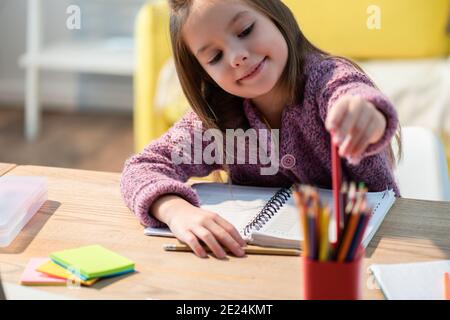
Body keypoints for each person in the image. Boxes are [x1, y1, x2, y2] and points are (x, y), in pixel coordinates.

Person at [120, 0, 401, 259]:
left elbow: (352, 93)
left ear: (274, 15)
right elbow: (142, 167)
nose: (237, 57)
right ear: (204, 73)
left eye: (245, 30)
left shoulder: (327, 80)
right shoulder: (218, 119)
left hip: (368, 252)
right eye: (215, 56)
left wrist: (366, 114)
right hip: (262, 262)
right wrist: (174, 210)